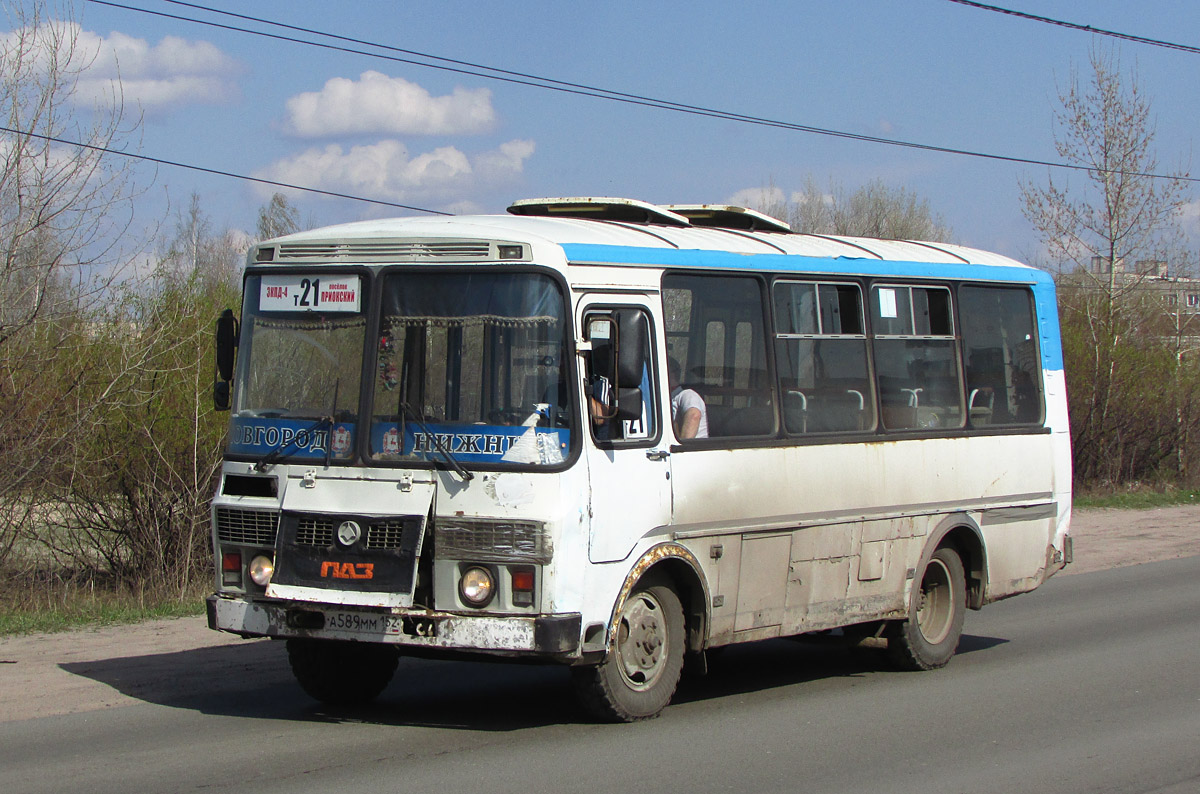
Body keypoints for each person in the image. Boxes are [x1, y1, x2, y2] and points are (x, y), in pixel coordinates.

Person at [667, 357, 708, 439]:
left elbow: (694, 416)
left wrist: (682, 448)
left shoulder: (687, 394)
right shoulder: (668, 398)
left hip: (694, 450)